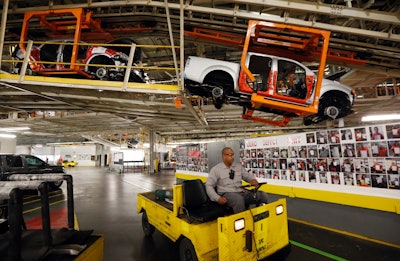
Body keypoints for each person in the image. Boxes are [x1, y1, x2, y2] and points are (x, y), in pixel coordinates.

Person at [205, 147, 268, 213]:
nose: (232, 157)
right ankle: (242, 220)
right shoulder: (216, 169)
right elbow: (209, 185)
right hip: (227, 194)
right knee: (238, 200)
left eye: (233, 154)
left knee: (262, 195)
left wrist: (252, 180)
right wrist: (217, 198)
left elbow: (247, 176)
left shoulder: (238, 166)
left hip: (241, 192)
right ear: (224, 156)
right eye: (230, 155)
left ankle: (262, 215)